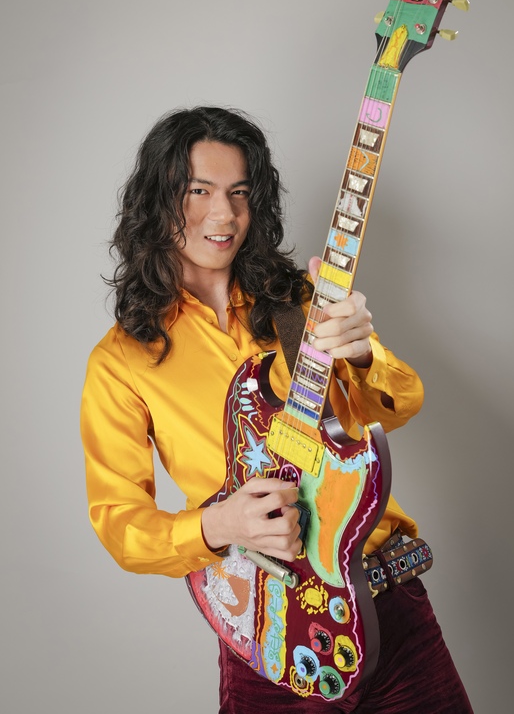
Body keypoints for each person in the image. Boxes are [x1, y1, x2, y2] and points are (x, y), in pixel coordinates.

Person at [81, 106, 472, 712]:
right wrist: (219, 526)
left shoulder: (298, 304)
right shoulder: (122, 360)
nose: (223, 214)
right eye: (199, 191)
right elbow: (119, 521)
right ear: (158, 201)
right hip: (271, 635)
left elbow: (397, 405)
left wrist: (362, 351)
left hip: (392, 610)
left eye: (239, 193)